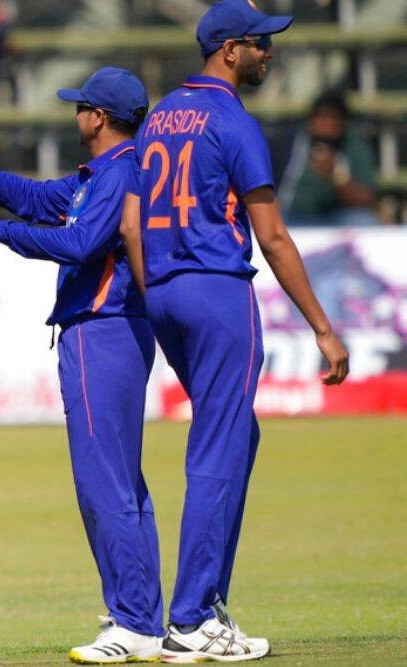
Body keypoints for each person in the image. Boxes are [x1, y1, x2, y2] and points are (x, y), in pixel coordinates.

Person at [121, 1, 349, 661]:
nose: (268, 53)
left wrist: (159, 292)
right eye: (259, 44)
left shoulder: (159, 116)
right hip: (217, 291)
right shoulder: (233, 121)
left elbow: (132, 224)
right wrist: (323, 328)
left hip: (164, 290)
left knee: (235, 435)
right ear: (228, 50)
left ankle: (207, 602)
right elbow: (271, 236)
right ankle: (191, 618)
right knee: (219, 446)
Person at [0, 67, 163, 664]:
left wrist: (2, 233)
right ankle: (141, 615)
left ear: (98, 117)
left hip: (104, 329)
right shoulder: (100, 174)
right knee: (121, 482)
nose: (75, 115)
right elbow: (35, 197)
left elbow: (81, 243)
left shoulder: (119, 172)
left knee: (104, 482)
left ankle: (133, 621)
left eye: (80, 107)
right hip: (104, 332)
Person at [280, 90, 379, 226]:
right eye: (321, 117)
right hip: (293, 216)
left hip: (335, 219)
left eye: (332, 118)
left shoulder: (354, 147)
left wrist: (335, 174)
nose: (326, 124)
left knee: (365, 221)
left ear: (343, 122)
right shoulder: (292, 141)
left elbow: (366, 200)